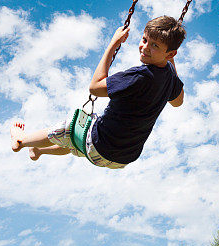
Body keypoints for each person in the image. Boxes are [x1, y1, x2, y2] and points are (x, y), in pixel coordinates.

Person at [10, 15, 185, 168]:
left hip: (100, 145)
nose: (145, 47)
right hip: (122, 159)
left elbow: (94, 87)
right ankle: (39, 150)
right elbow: (178, 102)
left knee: (71, 127)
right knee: (76, 141)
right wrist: (171, 64)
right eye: (145, 40)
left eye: (155, 45)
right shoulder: (169, 77)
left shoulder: (139, 76)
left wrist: (113, 43)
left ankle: (20, 141)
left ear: (170, 54)